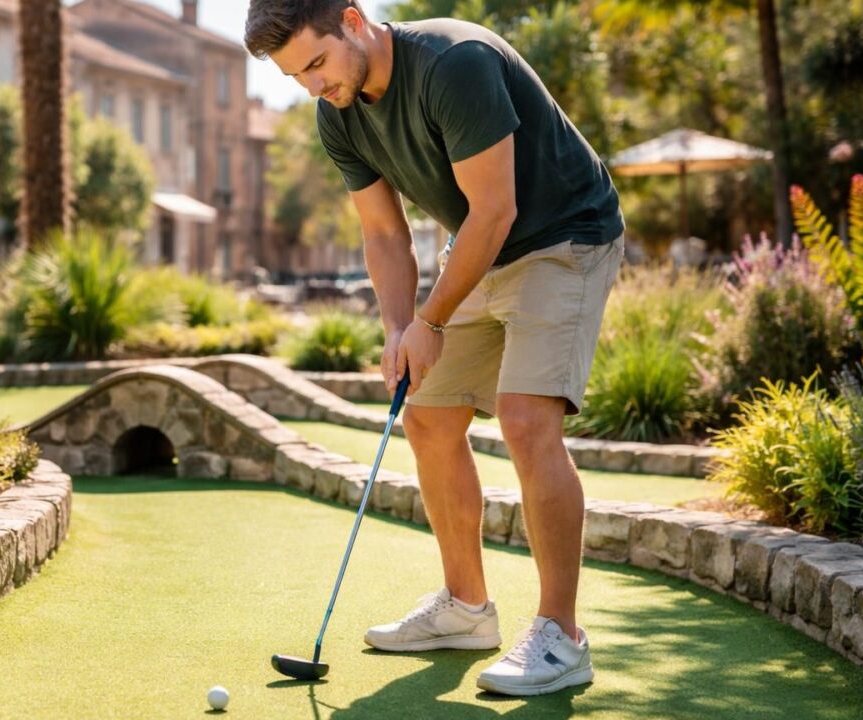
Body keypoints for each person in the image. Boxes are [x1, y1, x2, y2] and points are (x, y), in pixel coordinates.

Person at [245, 1, 625, 697]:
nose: (313, 87)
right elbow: (385, 236)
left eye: (317, 64)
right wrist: (399, 329)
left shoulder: (456, 65)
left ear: (353, 21)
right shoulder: (339, 114)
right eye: (297, 76)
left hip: (563, 234)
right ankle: (466, 607)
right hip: (481, 246)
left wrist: (433, 317)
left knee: (525, 419)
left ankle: (562, 637)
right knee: (428, 415)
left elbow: (497, 210)